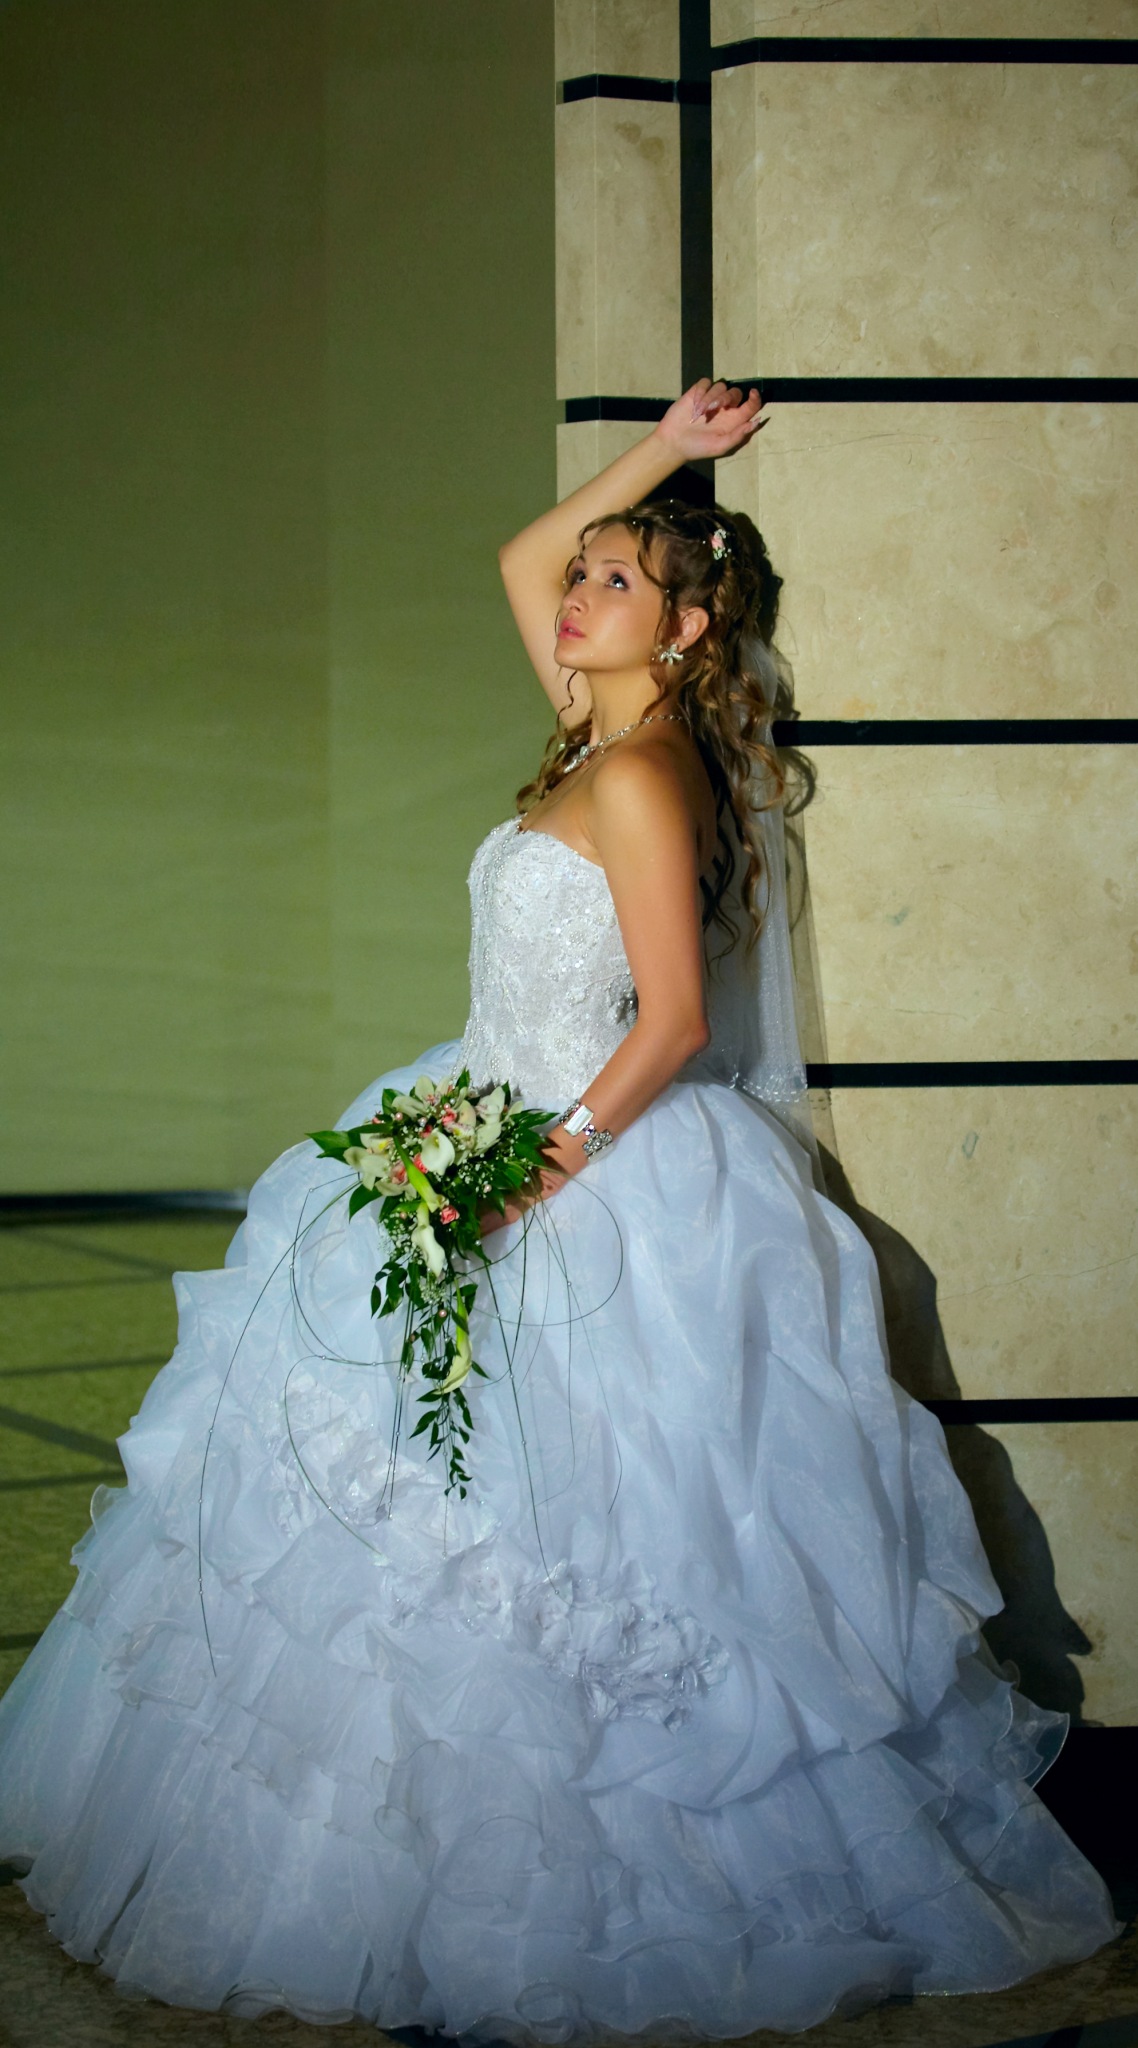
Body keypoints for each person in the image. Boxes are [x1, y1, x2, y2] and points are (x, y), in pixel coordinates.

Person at [0, 380, 1120, 2039]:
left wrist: (532, 1167)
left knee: (582, 1520)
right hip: (479, 1109)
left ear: (681, 630)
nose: (575, 595)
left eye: (615, 582)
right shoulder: (594, 728)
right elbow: (519, 556)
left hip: (589, 1159)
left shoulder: (647, 772)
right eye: (586, 580)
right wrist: (668, 449)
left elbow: (671, 1024)